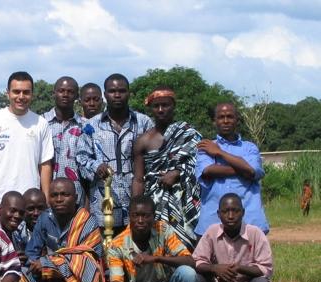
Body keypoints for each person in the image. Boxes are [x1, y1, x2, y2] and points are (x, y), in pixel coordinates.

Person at [23, 178, 106, 282]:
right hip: (52, 275)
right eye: (54, 195)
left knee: (85, 280)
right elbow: (32, 253)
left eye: (64, 195)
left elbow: (88, 259)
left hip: (81, 276)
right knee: (24, 276)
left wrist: (49, 263)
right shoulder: (45, 218)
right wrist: (37, 265)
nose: (59, 199)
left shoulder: (87, 221)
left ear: (75, 198)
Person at [104, 195, 196, 282]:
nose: (140, 220)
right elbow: (116, 281)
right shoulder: (117, 244)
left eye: (145, 216)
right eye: (136, 215)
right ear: (129, 216)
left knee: (187, 273)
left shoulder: (163, 230)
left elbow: (190, 261)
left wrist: (156, 258)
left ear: (153, 217)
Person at [77, 73, 154, 233]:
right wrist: (96, 166)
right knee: (106, 251)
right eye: (112, 91)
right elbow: (81, 157)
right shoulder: (92, 125)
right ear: (105, 95)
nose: (117, 95)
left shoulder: (144, 122)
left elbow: (154, 158)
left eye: (122, 90)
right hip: (104, 203)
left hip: (137, 202)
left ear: (129, 93)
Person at [192, 193, 274, 282]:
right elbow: (197, 261)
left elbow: (265, 268)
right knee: (194, 279)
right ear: (218, 214)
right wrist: (215, 268)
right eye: (225, 211)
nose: (230, 216)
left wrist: (239, 269)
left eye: (235, 211)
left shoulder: (255, 234)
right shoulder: (211, 232)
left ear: (242, 212)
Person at [132, 87, 201, 250]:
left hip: (184, 200)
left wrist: (177, 173)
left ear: (173, 106)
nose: (161, 110)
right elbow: (138, 179)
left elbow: (200, 165)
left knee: (187, 246)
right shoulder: (143, 141)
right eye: (156, 106)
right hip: (156, 202)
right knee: (159, 245)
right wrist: (136, 206)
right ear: (151, 109)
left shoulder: (187, 133)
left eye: (165, 105)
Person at [0, 71, 54, 206]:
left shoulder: (41, 123)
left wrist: (46, 201)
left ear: (32, 94)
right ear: (8, 93)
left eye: (26, 92)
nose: (21, 97)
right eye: (16, 91)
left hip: (29, 202)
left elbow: (45, 165)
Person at [195, 102, 269, 235]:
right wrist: (243, 169)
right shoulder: (206, 147)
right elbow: (208, 170)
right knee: (209, 256)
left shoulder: (250, 148)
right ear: (214, 121)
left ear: (237, 120)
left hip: (249, 219)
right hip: (213, 220)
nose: (225, 121)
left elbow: (253, 171)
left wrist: (220, 153)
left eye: (230, 116)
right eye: (221, 117)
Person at [42, 76, 89, 207]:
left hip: (76, 197)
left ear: (76, 96)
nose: (65, 94)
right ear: (54, 93)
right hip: (45, 195)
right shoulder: (40, 123)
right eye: (61, 90)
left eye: (70, 91)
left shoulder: (86, 126)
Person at [0, 191, 27, 262]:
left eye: (21, 213)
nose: (17, 216)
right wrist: (10, 260)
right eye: (12, 211)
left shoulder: (14, 232)